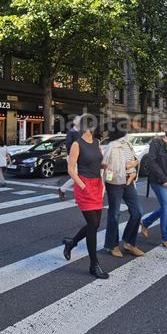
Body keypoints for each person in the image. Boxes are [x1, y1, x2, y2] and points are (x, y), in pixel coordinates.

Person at [62, 114, 109, 279]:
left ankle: (71, 243)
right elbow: (70, 169)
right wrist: (82, 185)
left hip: (96, 186)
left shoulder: (96, 142)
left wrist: (106, 166)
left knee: (94, 225)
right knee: (93, 224)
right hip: (84, 186)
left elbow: (97, 162)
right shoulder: (77, 144)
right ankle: (93, 265)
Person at [102, 127, 144, 258]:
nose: (128, 134)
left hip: (129, 181)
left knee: (137, 211)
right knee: (114, 214)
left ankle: (129, 242)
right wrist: (126, 166)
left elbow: (135, 160)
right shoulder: (111, 146)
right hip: (115, 183)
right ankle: (112, 245)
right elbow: (104, 164)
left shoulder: (128, 144)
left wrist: (133, 168)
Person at [140, 131, 167, 250]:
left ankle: (145, 222)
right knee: (166, 207)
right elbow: (151, 162)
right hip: (158, 180)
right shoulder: (155, 143)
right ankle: (166, 238)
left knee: (166, 208)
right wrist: (163, 178)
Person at [57, 115, 81, 201]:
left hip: (80, 156)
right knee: (76, 176)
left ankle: (64, 190)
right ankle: (62, 189)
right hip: (72, 157)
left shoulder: (80, 132)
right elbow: (68, 145)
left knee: (79, 176)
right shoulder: (71, 132)